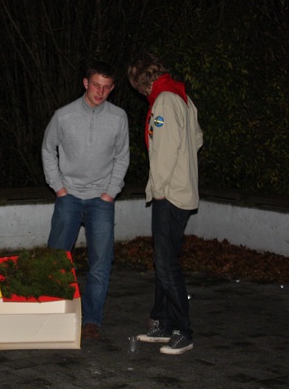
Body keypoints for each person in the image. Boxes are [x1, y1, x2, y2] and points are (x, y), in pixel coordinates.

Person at [42, 61, 130, 339]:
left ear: (112, 88)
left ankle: (92, 318)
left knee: (100, 263)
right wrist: (59, 187)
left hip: (101, 200)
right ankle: (52, 313)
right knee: (57, 259)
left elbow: (122, 156)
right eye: (96, 85)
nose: (100, 92)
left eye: (106, 87)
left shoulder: (118, 117)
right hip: (68, 196)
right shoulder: (64, 115)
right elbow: (48, 149)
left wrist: (110, 192)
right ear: (85, 83)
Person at [127, 52, 203, 355]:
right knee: (164, 259)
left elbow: (165, 152)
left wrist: (158, 189)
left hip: (170, 194)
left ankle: (183, 331)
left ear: (139, 82)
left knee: (166, 262)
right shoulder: (181, 95)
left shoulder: (164, 101)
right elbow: (197, 139)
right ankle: (163, 322)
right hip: (182, 191)